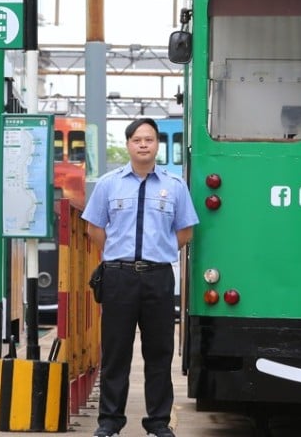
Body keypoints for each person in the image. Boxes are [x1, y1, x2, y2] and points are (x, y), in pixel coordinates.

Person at [81, 118, 199, 437]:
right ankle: (109, 422)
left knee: (158, 353)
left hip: (158, 278)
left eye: (148, 139)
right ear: (129, 144)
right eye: (137, 139)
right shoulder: (109, 183)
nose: (143, 144)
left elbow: (185, 231)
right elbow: (94, 228)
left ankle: (158, 423)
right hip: (118, 278)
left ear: (157, 144)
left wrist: (158, 251)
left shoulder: (174, 186)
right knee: (116, 352)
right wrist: (118, 256)